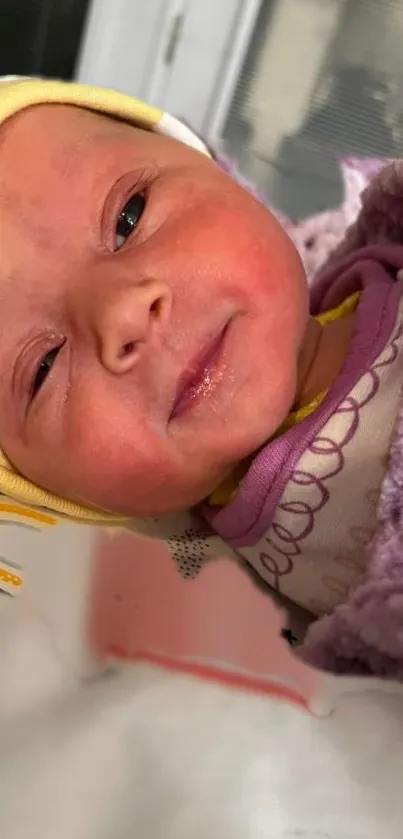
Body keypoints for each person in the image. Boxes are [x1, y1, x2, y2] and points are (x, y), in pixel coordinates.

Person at [0, 76, 403, 677]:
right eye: (42, 366)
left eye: (129, 217)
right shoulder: (217, 607)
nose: (123, 311)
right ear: (60, 496)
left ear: (211, 168)